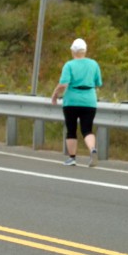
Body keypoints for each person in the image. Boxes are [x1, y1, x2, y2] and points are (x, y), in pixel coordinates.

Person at [51, 37, 102, 166]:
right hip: (89, 101)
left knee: (71, 129)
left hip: (71, 101)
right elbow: (98, 82)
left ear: (73, 51)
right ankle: (92, 149)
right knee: (87, 129)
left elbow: (63, 84)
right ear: (85, 50)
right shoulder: (94, 64)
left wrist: (55, 94)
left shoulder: (69, 65)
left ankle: (72, 158)